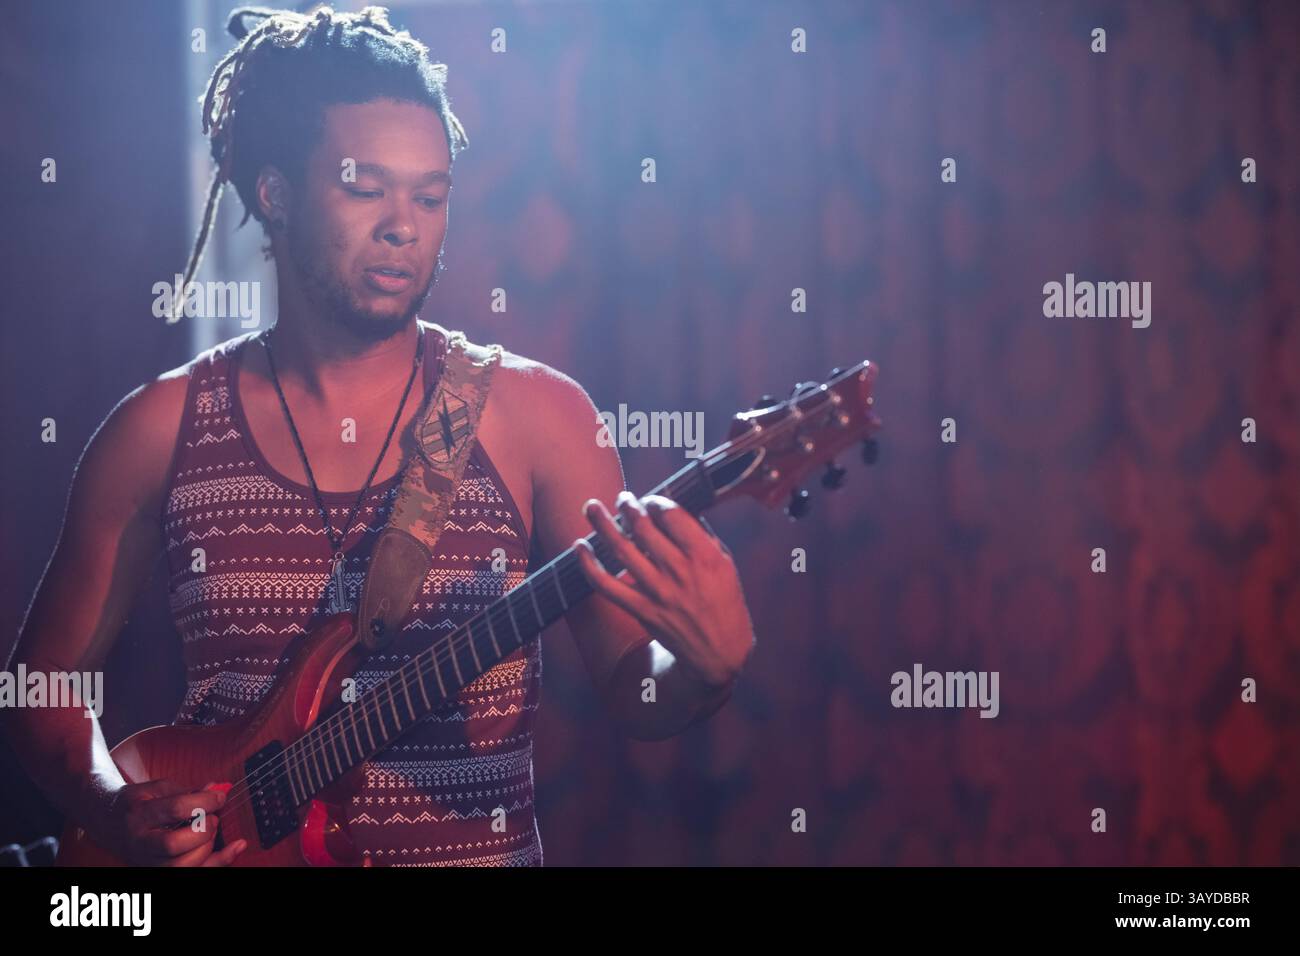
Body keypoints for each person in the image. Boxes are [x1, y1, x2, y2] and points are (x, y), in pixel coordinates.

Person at [2, 4, 755, 867]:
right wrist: (107, 807)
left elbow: (638, 699)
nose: (405, 223)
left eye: (430, 196)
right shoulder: (158, 430)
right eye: (366, 188)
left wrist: (703, 668)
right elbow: (37, 685)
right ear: (274, 193)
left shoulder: (539, 419)